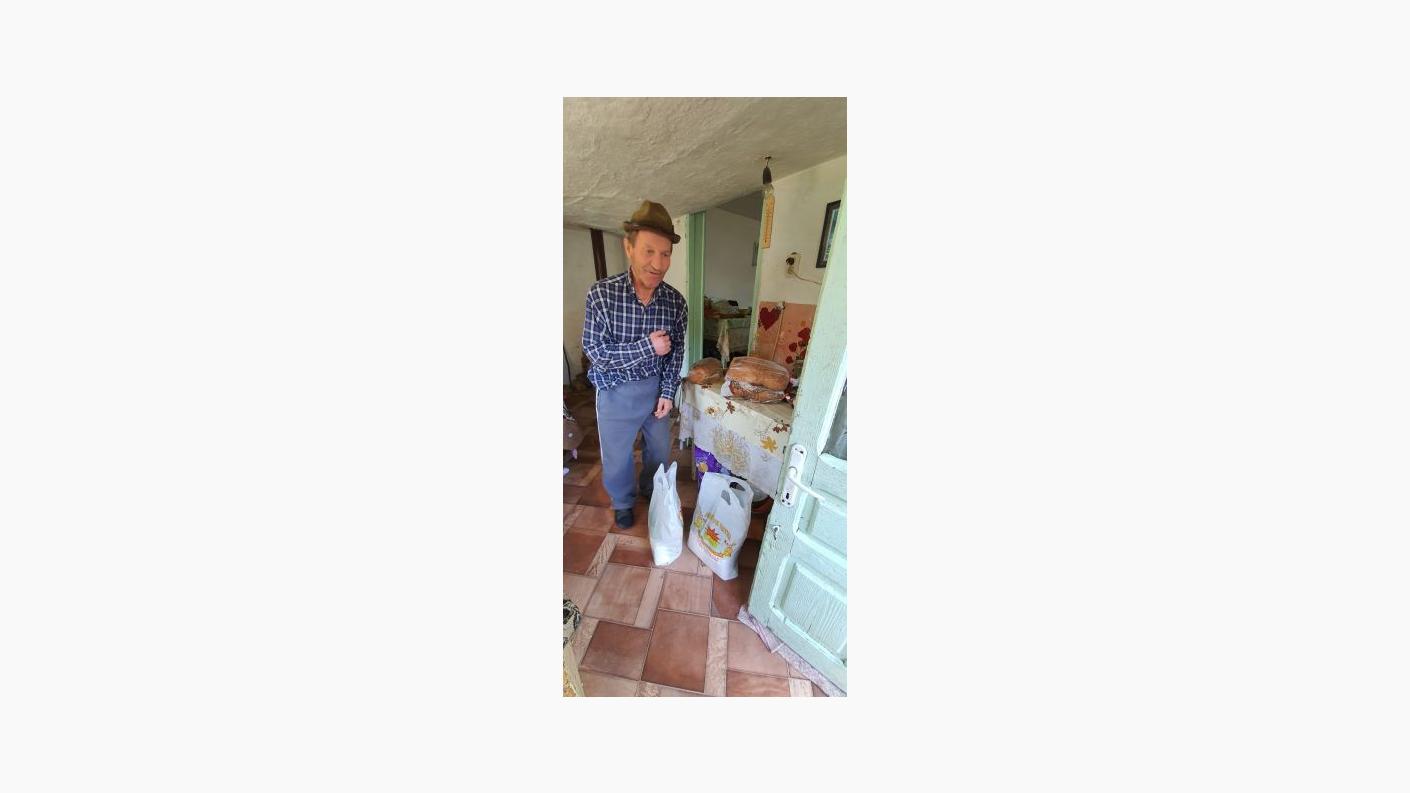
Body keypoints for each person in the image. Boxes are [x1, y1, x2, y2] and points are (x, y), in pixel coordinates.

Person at [581, 200, 687, 528]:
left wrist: (667, 392)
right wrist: (647, 347)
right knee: (617, 454)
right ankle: (623, 501)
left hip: (655, 390)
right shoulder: (601, 295)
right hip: (614, 391)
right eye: (648, 251)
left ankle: (653, 491)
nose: (658, 264)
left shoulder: (675, 302)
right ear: (629, 248)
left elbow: (676, 352)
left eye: (665, 254)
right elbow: (596, 352)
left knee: (659, 450)